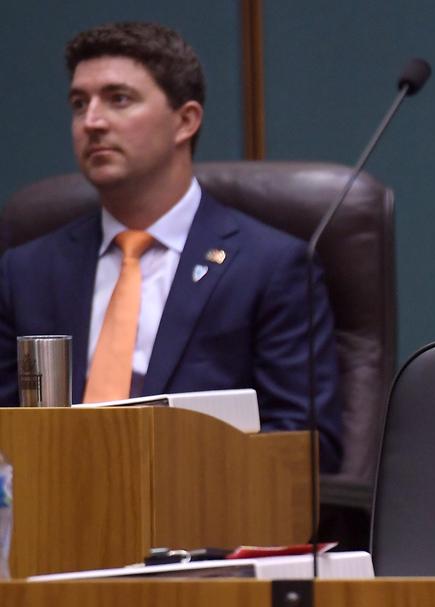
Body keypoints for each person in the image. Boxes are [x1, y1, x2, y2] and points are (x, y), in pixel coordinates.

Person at [0, 21, 342, 469]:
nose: (92, 122)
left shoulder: (270, 265)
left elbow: (306, 446)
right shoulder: (26, 271)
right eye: (79, 103)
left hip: (200, 522)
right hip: (51, 521)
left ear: (185, 121)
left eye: (118, 99)